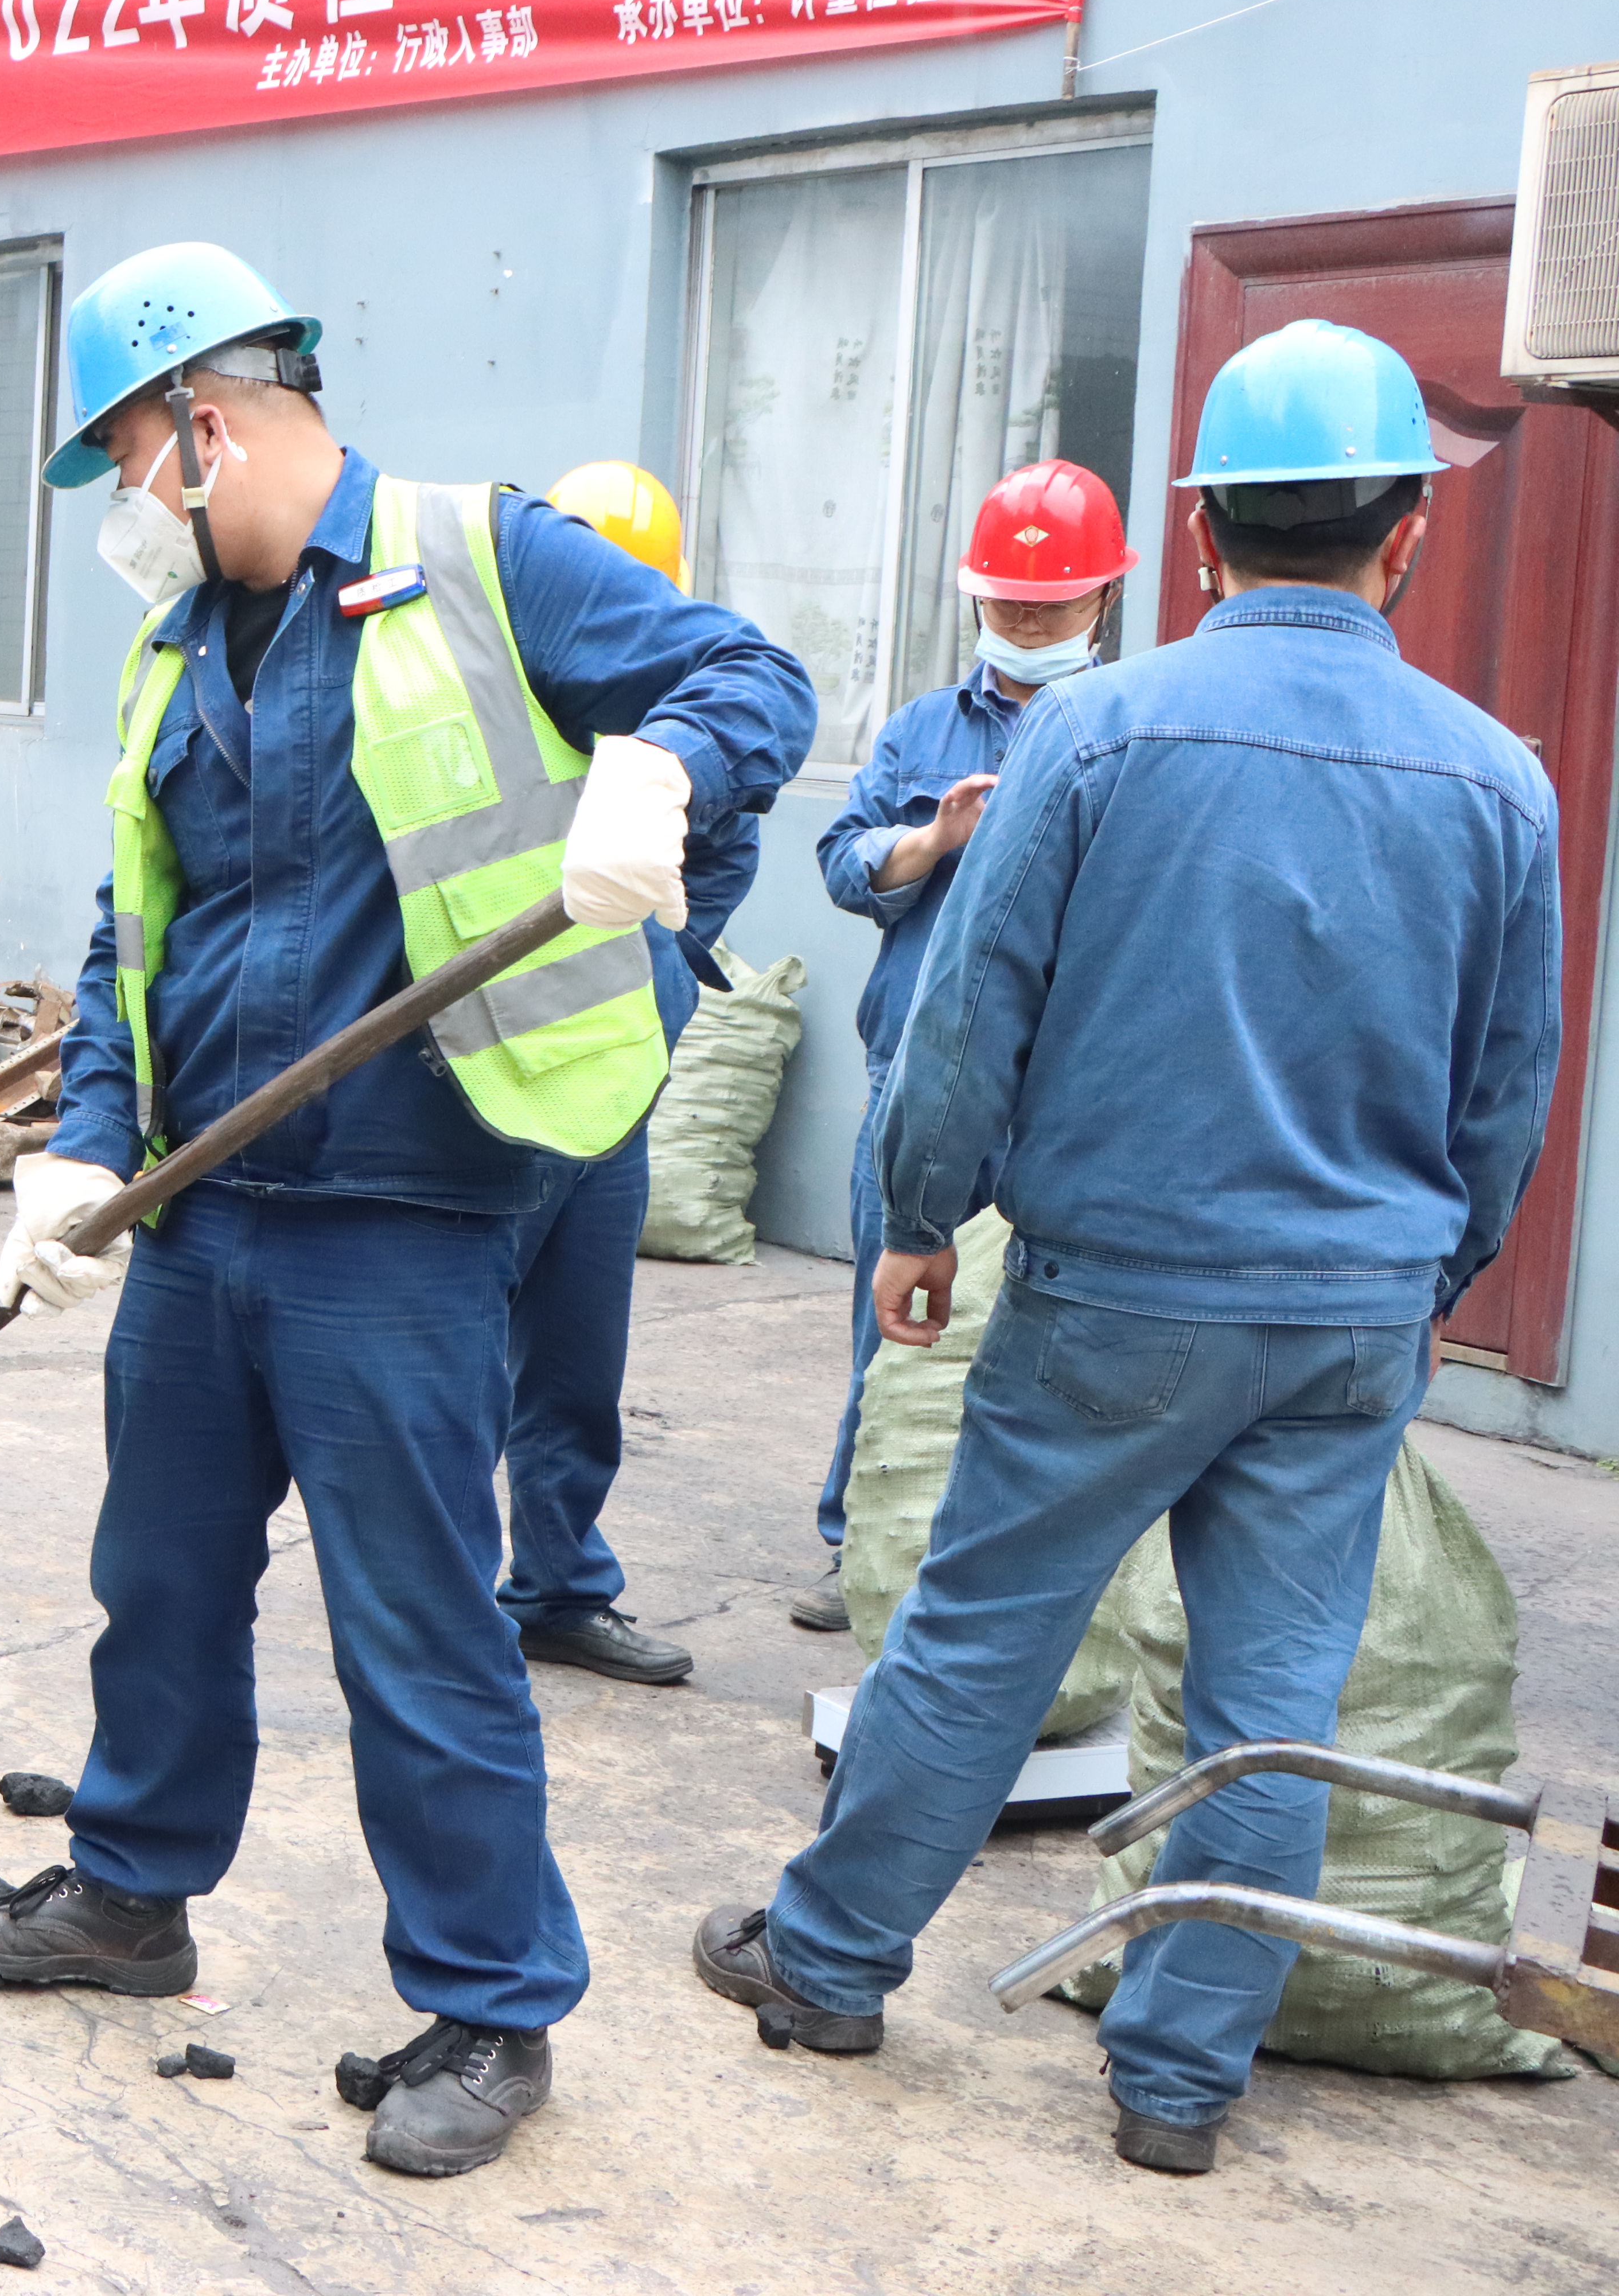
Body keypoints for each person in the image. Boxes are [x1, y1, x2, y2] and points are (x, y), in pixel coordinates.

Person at [0, 244, 810, 2179]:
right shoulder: (180, 654)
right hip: (200, 1210)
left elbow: (754, 675)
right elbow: (132, 926)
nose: (121, 519)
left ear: (208, 427)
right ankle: (130, 1901)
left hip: (401, 1212)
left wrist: (663, 760)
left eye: (123, 465)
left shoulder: (487, 561)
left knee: (417, 1627)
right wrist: (82, 1142)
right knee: (156, 1580)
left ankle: (494, 2009)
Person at [692, 319, 1560, 2177]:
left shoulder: (1095, 733)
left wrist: (917, 1220)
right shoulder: (1504, 783)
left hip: (1117, 1298)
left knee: (979, 1642)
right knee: (1274, 1716)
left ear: (1199, 544)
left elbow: (972, 1019)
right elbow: (1505, 1103)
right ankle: (1179, 2085)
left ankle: (830, 1962)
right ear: (1407, 536)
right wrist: (1423, 1291)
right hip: (1346, 1324)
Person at [787, 458, 1136, 1633]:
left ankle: (1017, 1571)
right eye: (1009, 608)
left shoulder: (1131, 727)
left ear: (1104, 603)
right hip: (916, 1089)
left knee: (1049, 1347)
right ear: (976, 600)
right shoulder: (925, 731)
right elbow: (842, 865)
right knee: (892, 1329)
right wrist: (933, 841)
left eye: (1053, 608)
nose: (1029, 626)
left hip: (1067, 1101)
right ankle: (860, 1546)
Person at [493, 462, 765, 1686]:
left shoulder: (683, 729)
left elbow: (720, 868)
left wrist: (647, 956)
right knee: (446, 1349)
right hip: (491, 1083)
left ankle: (555, 1586)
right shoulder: (491, 710)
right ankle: (435, 1603)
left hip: (611, 1091)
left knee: (576, 1355)